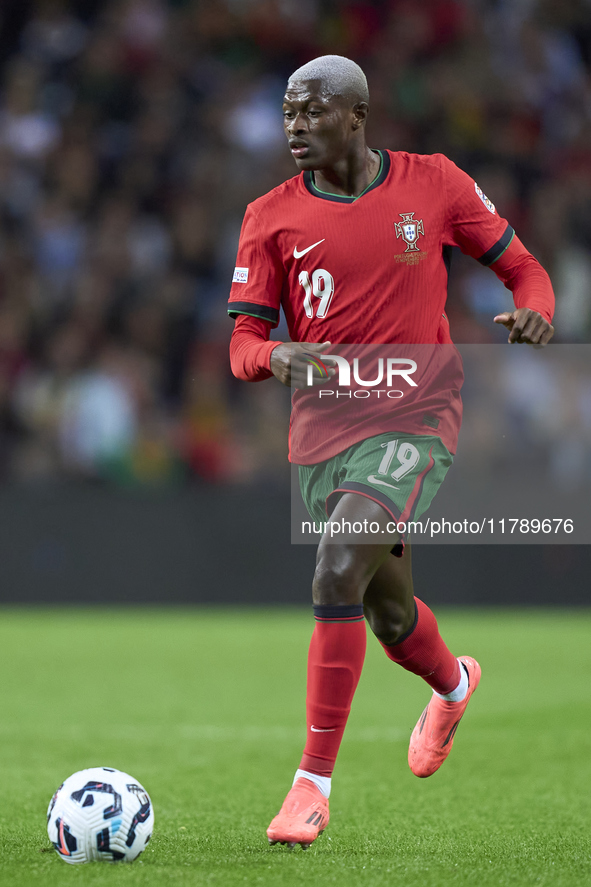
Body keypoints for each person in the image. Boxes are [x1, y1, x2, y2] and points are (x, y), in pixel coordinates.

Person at [227, 55, 554, 850]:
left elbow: (522, 268)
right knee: (388, 611)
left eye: (311, 111)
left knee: (336, 566)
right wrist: (276, 358)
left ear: (357, 114)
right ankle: (453, 682)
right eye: (287, 113)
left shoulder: (434, 183)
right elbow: (241, 343)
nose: (295, 126)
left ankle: (311, 784)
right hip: (322, 438)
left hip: (416, 415)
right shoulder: (268, 216)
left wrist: (534, 311)